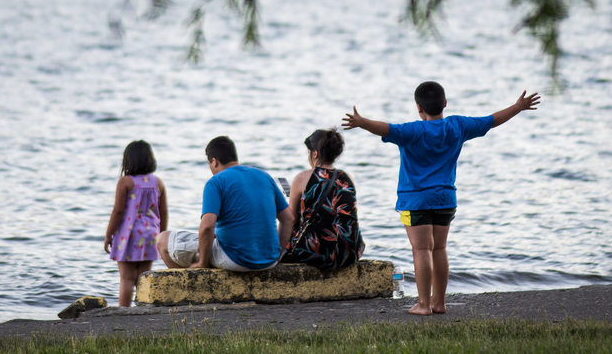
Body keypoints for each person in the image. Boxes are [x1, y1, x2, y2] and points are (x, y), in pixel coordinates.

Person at [343, 81, 540, 316]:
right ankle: (439, 303)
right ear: (444, 103)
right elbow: (491, 120)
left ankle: (423, 305)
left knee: (421, 250)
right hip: (446, 199)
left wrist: (361, 122)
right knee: (440, 249)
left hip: (416, 201)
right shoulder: (457, 126)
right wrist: (517, 107)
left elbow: (385, 129)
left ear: (419, 108)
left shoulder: (412, 131)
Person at [158, 136, 292, 271]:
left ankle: (189, 287)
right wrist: (276, 256)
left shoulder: (216, 181)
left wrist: (202, 263)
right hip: (269, 261)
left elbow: (207, 227)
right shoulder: (264, 176)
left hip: (235, 260)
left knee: (162, 240)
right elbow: (288, 219)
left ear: (214, 162)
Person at [281, 128, 365, 270]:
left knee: (287, 223)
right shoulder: (347, 178)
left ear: (315, 154)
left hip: (317, 251)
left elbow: (292, 219)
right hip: (349, 251)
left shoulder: (302, 178)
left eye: (308, 152)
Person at [103, 140, 168, 306]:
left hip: (129, 234)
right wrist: (161, 235)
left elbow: (118, 211)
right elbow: (163, 212)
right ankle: (141, 311)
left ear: (128, 160)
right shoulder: (157, 182)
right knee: (143, 277)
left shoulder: (126, 182)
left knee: (126, 278)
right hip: (150, 235)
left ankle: (123, 312)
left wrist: (108, 234)